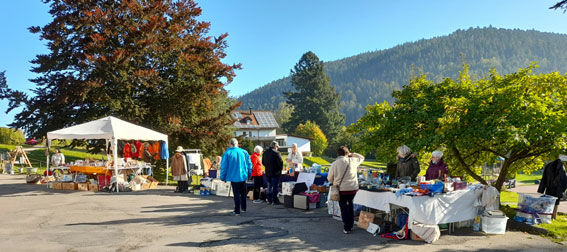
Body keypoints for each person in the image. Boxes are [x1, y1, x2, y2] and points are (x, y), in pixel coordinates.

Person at [328, 146, 364, 234]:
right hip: (353, 188)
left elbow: (329, 178)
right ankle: (350, 225)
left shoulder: (334, 163)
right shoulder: (353, 161)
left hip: (341, 189)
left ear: (338, 154)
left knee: (344, 208)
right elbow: (362, 157)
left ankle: (347, 227)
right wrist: (352, 154)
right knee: (350, 206)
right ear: (347, 153)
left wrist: (334, 182)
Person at [220, 138, 253, 216]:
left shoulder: (227, 153)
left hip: (233, 176)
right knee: (243, 193)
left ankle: (237, 210)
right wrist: (249, 173)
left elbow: (224, 166)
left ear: (230, 144)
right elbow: (249, 163)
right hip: (243, 175)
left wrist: (222, 177)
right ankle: (244, 208)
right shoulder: (244, 152)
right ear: (237, 144)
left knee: (236, 194)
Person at [538, 154, 567, 219]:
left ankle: (548, 216)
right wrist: (563, 190)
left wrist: (541, 190)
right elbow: (565, 181)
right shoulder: (562, 168)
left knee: (548, 202)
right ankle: (553, 217)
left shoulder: (548, 166)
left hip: (549, 188)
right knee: (555, 203)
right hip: (557, 189)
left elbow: (544, 179)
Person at [262, 141, 283, 205]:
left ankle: (269, 199)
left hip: (268, 172)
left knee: (269, 186)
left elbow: (263, 162)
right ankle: (275, 200)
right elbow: (280, 163)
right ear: (275, 146)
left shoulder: (265, 153)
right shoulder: (277, 153)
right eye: (277, 147)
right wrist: (279, 170)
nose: (277, 148)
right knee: (275, 187)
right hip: (275, 173)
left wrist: (268, 167)